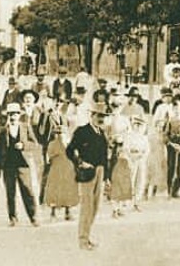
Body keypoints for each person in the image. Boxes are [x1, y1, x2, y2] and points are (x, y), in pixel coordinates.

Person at [66, 102, 111, 251]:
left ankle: (87, 236)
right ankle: (83, 240)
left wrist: (107, 177)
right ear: (92, 115)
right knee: (87, 207)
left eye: (103, 116)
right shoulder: (82, 131)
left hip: (100, 171)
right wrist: (80, 163)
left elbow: (105, 156)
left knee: (95, 207)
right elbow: (70, 150)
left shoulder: (102, 133)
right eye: (99, 116)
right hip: (87, 173)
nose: (101, 119)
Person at [0, 102, 39, 227]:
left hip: (23, 164)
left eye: (15, 114)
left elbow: (35, 144)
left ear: (19, 115)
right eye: (10, 114)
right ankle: (12, 218)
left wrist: (24, 146)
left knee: (28, 190)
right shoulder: (3, 130)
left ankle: (33, 217)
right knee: (10, 192)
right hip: (8, 165)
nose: (13, 116)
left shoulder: (25, 127)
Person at [45, 124, 77, 221]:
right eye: (57, 133)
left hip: (68, 168)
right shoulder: (52, 144)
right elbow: (48, 158)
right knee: (55, 189)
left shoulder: (70, 143)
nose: (60, 135)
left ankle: (68, 211)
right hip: (56, 169)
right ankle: (53, 213)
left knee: (68, 188)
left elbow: (75, 155)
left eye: (62, 133)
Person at [163, 101, 180, 198]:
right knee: (171, 168)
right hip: (172, 148)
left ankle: (176, 191)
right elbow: (166, 135)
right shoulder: (170, 121)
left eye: (178, 108)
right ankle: (169, 191)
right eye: (174, 108)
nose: (177, 110)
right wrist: (172, 144)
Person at [124, 115, 150, 210]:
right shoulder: (129, 136)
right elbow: (126, 148)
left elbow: (147, 150)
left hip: (141, 159)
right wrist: (131, 157)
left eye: (140, 125)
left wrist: (142, 156)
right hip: (132, 159)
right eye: (136, 124)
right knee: (131, 180)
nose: (138, 127)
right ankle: (126, 201)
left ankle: (136, 202)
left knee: (140, 180)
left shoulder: (144, 137)